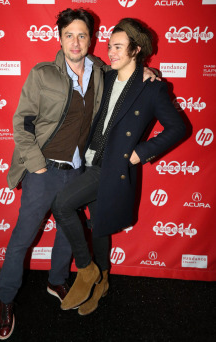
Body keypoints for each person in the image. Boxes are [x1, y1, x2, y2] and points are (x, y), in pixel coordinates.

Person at [0, 9, 157, 340]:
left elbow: (128, 74)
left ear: (91, 40)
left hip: (78, 170)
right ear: (59, 38)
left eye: (82, 35)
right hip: (43, 170)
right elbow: (22, 122)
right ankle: (5, 300)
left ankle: (57, 280)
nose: (76, 41)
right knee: (22, 238)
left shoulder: (100, 71)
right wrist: (36, 163)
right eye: (69, 35)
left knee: (68, 234)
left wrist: (148, 72)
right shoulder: (42, 74)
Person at [51, 18, 186, 315]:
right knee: (99, 226)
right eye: (110, 45)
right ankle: (103, 281)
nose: (111, 52)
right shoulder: (106, 76)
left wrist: (141, 152)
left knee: (62, 206)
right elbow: (88, 60)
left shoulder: (151, 87)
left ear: (136, 50)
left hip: (112, 168)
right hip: (88, 159)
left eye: (118, 47)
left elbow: (179, 127)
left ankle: (86, 270)